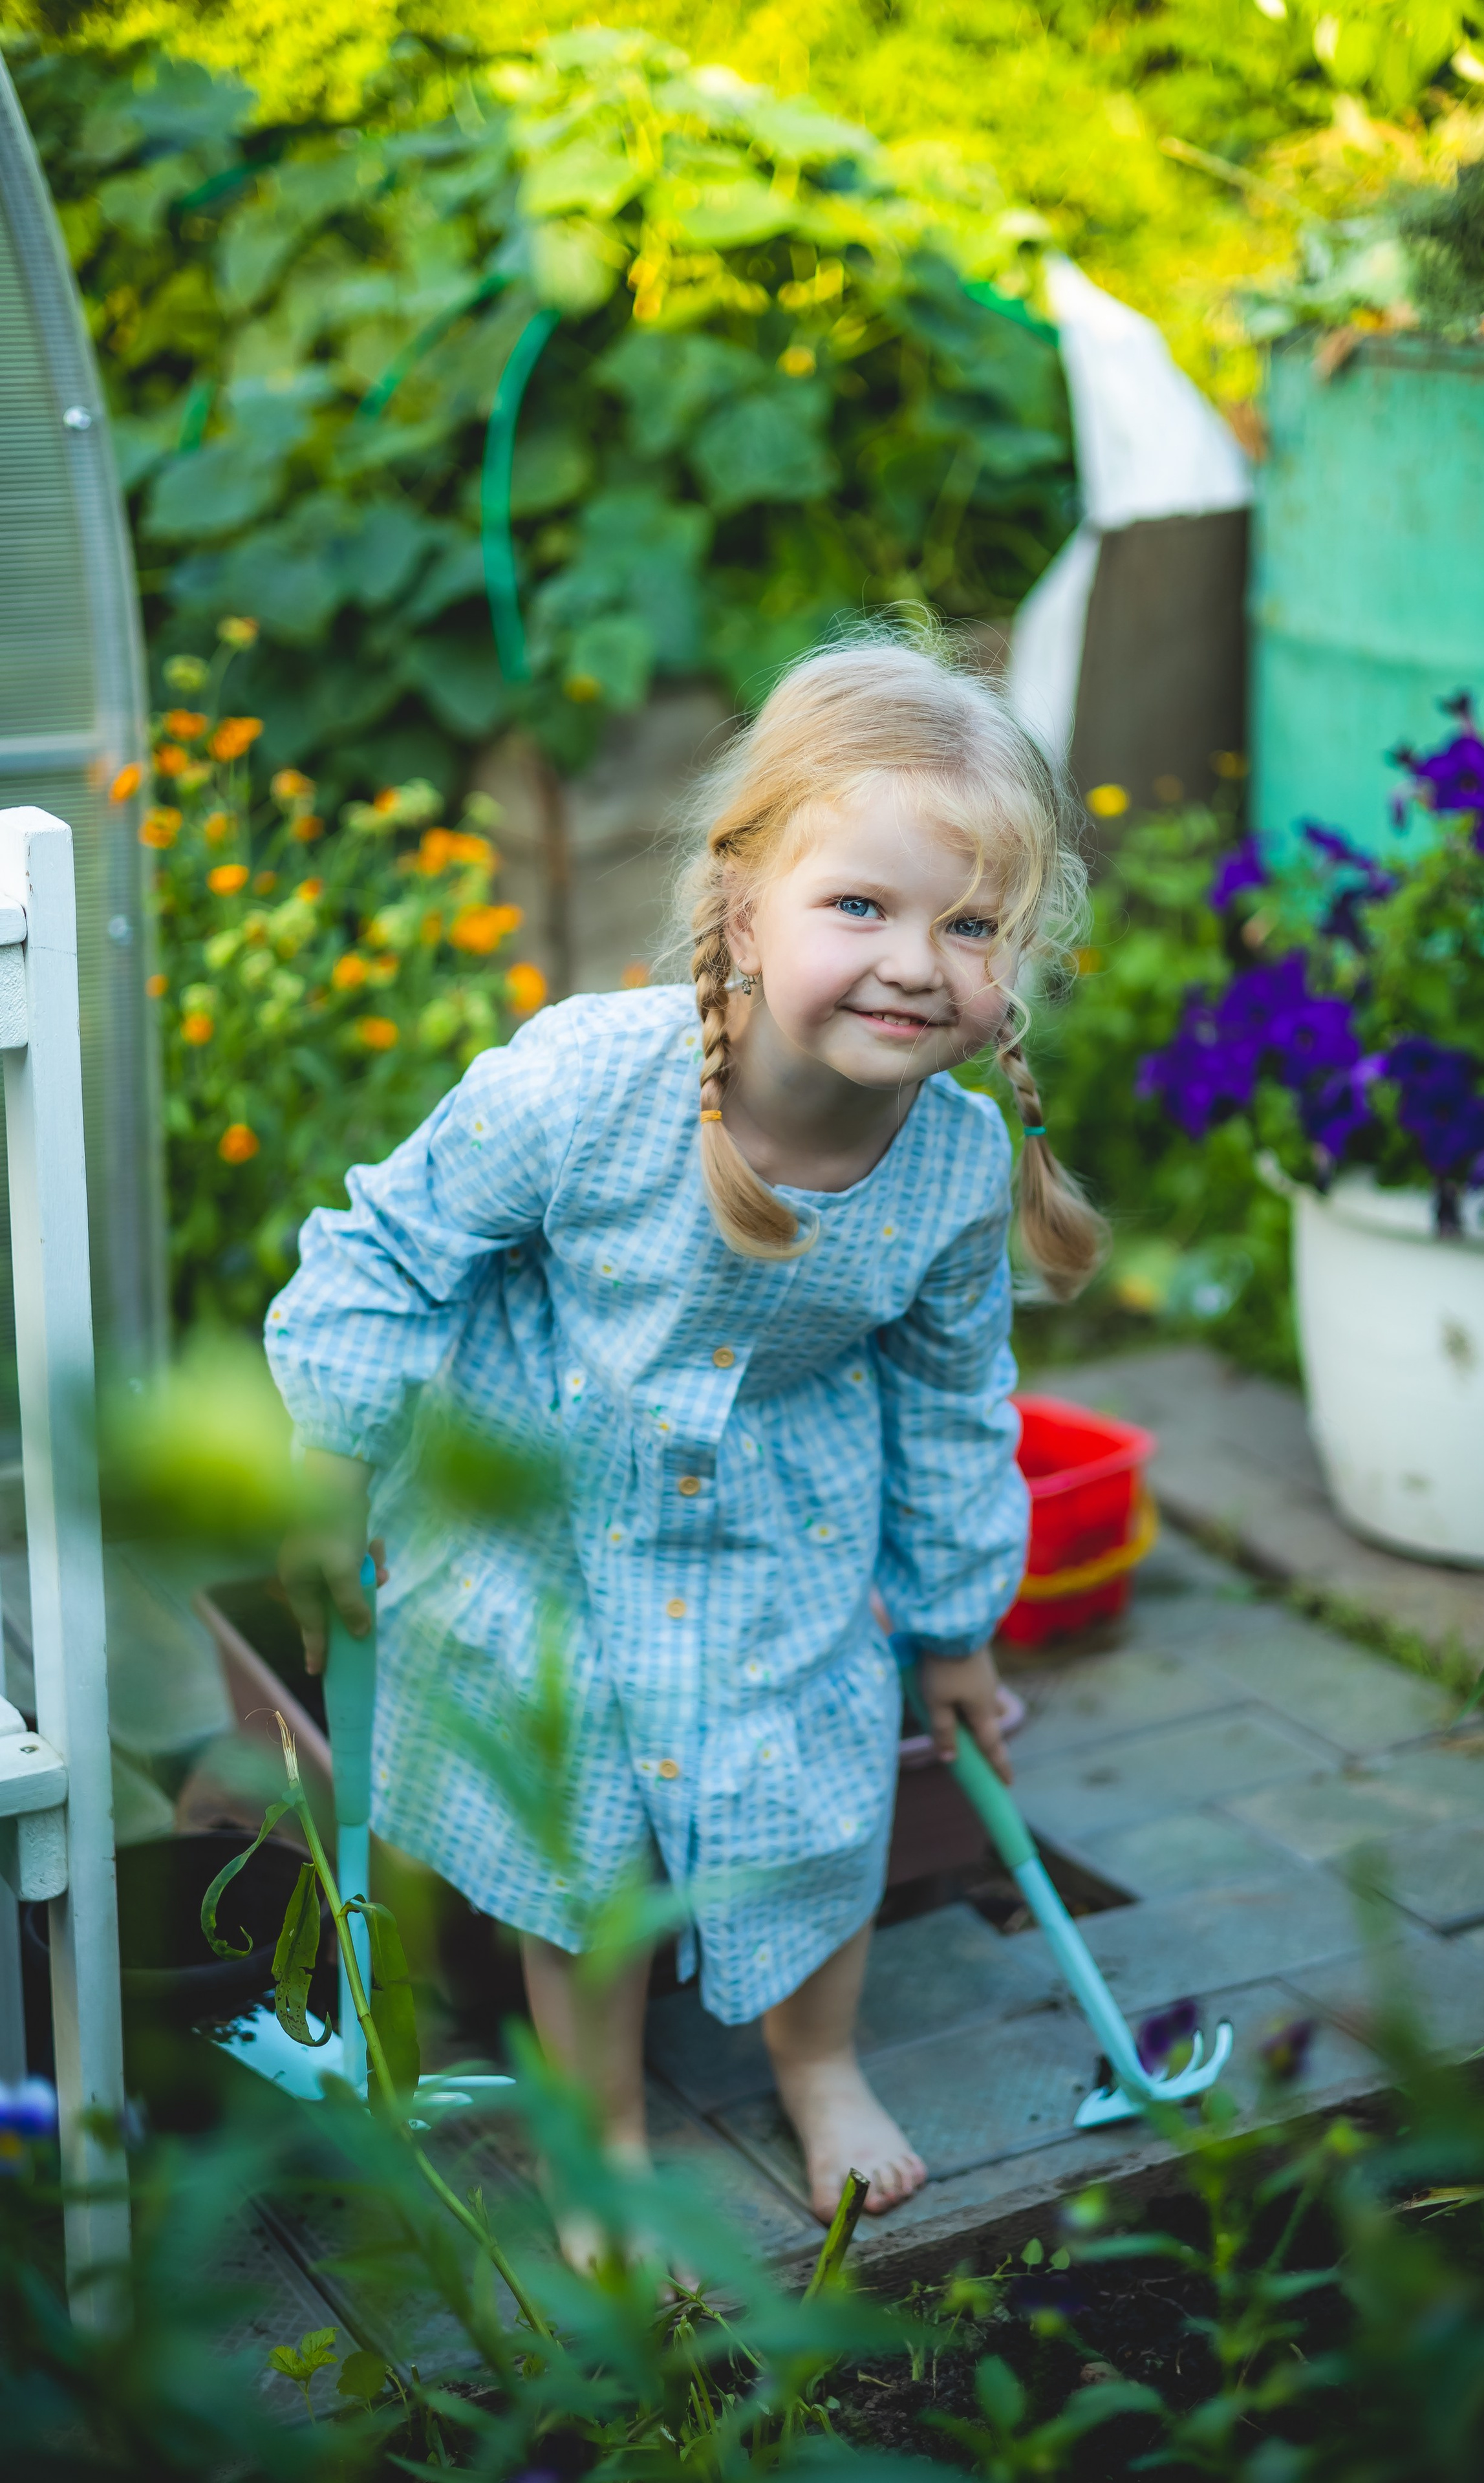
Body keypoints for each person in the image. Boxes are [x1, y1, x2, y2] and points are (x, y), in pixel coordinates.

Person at [266, 633, 1102, 2226]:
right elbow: (391, 1249)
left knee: (823, 1805)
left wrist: (951, 1628)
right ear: (742, 909)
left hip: (780, 1534)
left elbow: (949, 1402)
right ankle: (603, 2142)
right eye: (858, 906)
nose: (913, 963)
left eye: (969, 925)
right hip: (548, 1526)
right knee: (575, 1856)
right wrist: (331, 1467)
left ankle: (819, 2061)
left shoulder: (949, 1167)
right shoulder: (585, 1086)